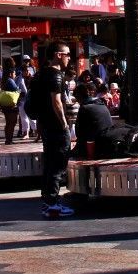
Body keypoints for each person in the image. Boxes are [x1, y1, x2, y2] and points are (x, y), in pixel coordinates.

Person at [34, 41, 74, 217]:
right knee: (58, 165)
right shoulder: (56, 75)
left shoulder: (41, 73)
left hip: (45, 125)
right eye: (67, 54)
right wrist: (64, 124)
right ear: (58, 55)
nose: (69, 58)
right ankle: (53, 205)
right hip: (55, 127)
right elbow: (56, 101)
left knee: (50, 164)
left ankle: (48, 202)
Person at [71, 82, 113, 158]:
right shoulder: (102, 104)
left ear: (79, 96)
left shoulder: (84, 108)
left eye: (77, 99)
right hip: (108, 140)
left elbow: (79, 132)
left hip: (94, 145)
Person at [0, 58, 21, 145]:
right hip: (11, 104)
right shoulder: (10, 80)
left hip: (5, 103)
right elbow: (17, 90)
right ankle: (9, 139)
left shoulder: (4, 77)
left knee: (8, 122)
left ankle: (8, 139)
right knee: (12, 122)